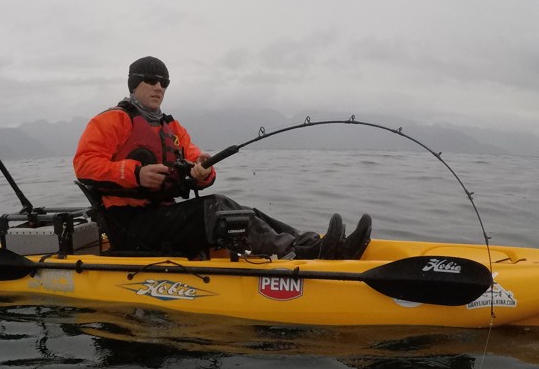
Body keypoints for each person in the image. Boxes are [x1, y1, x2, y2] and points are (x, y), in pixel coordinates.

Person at [73, 56, 371, 260]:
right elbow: (84, 165)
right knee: (220, 209)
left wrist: (204, 172)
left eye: (164, 81)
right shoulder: (114, 120)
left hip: (162, 217)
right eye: (151, 80)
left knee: (239, 209)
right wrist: (136, 173)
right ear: (133, 85)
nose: (159, 87)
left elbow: (196, 161)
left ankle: (312, 244)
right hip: (128, 226)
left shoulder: (171, 127)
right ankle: (306, 253)